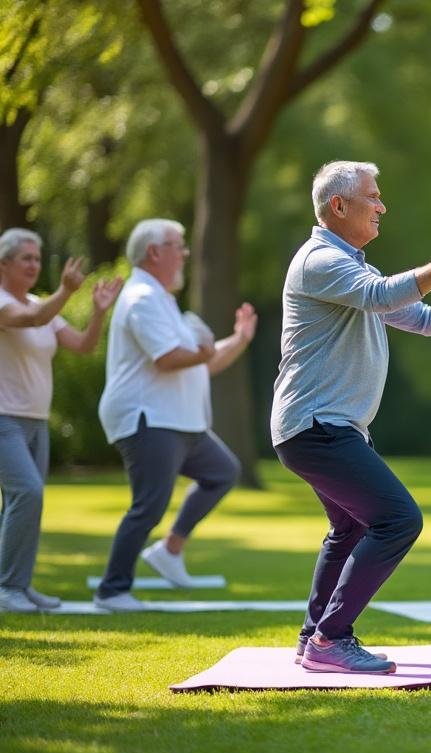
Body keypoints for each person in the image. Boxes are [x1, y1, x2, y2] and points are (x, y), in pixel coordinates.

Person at [273, 160, 431, 674]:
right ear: (338, 206)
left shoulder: (353, 267)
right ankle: (330, 638)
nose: (382, 206)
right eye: (372, 197)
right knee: (398, 520)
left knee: (349, 528)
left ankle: (314, 638)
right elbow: (385, 295)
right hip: (316, 424)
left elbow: (429, 320)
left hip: (329, 426)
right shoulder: (320, 260)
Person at [94, 219, 255, 612]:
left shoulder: (162, 300)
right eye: (177, 246)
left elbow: (202, 363)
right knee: (149, 505)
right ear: (154, 252)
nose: (184, 253)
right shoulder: (142, 298)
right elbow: (168, 359)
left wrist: (239, 340)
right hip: (148, 417)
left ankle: (169, 550)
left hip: (179, 420)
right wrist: (203, 351)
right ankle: (112, 591)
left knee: (222, 472)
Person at [0, 229, 122, 612]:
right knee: (28, 493)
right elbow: (32, 318)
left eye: (37, 258)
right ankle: (8, 588)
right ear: (3, 264)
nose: (34, 265)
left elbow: (83, 345)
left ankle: (19, 585)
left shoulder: (43, 303)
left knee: (24, 502)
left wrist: (99, 311)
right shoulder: (5, 304)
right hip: (5, 420)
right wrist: (67, 291)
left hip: (36, 422)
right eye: (26, 258)